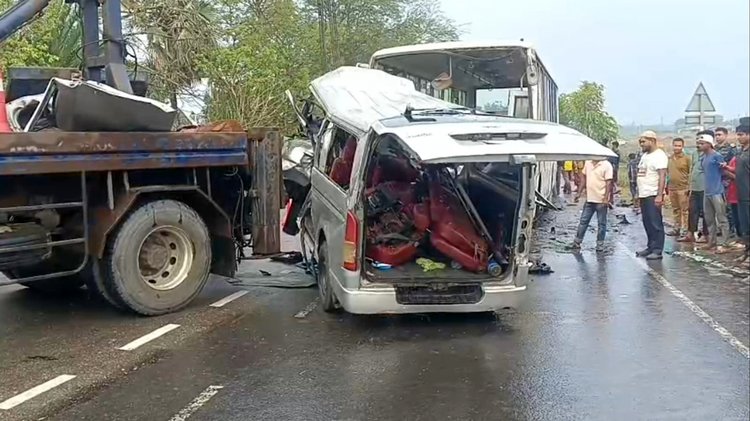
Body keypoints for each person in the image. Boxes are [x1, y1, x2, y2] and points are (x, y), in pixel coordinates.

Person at [568, 159, 614, 252]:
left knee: (601, 224)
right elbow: (583, 180)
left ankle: (600, 245)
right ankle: (577, 242)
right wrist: (579, 193)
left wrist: (606, 198)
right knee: (583, 221)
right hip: (589, 199)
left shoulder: (606, 165)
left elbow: (609, 183)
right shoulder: (588, 163)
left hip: (601, 200)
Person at [636, 130, 668, 259]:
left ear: (652, 141)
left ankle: (657, 249)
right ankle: (650, 246)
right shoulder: (645, 155)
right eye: (640, 142)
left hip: (653, 194)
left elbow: (662, 176)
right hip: (644, 194)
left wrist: (659, 195)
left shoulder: (659, 156)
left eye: (643, 141)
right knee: (647, 222)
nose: (641, 144)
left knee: (655, 223)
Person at [697, 133, 730, 253]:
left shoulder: (717, 156)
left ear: (709, 144)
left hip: (717, 191)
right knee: (709, 219)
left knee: (722, 219)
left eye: (702, 143)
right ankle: (712, 242)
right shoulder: (703, 157)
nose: (699, 146)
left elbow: (724, 172)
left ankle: (725, 243)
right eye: (699, 143)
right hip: (707, 192)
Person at [679, 141, 709, 243]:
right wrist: (689, 186)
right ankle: (690, 234)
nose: (699, 145)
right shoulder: (694, 154)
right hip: (694, 188)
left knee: (706, 212)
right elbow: (692, 170)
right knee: (692, 211)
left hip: (705, 188)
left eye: (701, 143)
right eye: (697, 142)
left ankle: (706, 235)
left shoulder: (710, 154)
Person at [714, 127, 739, 235]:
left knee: (728, 207)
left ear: (725, 135)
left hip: (727, 181)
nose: (717, 137)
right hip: (715, 181)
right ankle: (721, 228)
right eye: (716, 135)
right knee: (718, 207)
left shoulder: (731, 149)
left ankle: (731, 230)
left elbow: (735, 164)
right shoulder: (713, 149)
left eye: (719, 135)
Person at [732, 122, 749, 266]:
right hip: (741, 194)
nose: (739, 137)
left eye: (741, 135)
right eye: (738, 134)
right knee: (745, 227)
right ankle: (746, 252)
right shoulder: (741, 151)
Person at [667, 138, 691, 236]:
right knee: (675, 209)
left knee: (685, 210)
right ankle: (676, 228)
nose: (677, 148)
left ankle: (685, 229)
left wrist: (689, 187)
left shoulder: (687, 158)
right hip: (672, 188)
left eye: (679, 146)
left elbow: (690, 173)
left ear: (682, 146)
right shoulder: (670, 158)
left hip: (683, 188)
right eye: (675, 145)